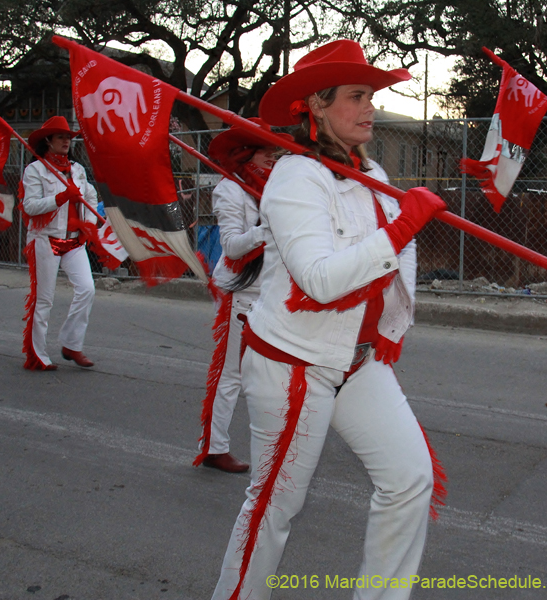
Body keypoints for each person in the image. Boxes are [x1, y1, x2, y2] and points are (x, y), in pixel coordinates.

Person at [211, 40, 448, 600]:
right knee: (274, 507)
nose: (370, 107)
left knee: (410, 478)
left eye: (371, 95)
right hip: (294, 362)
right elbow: (318, 278)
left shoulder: (374, 170)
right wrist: (401, 229)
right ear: (316, 105)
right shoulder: (296, 177)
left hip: (358, 360)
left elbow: (398, 257)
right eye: (356, 96)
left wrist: (390, 323)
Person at [192, 118, 289, 474]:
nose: (273, 157)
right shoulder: (230, 190)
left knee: (273, 371)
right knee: (232, 373)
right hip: (241, 291)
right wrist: (267, 229)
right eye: (267, 151)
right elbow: (232, 247)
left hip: (273, 289)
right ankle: (214, 447)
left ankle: (279, 446)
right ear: (247, 153)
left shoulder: (274, 187)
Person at [21, 116, 99, 371]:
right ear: (48, 141)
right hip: (45, 239)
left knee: (87, 289)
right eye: (61, 137)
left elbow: (89, 195)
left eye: (68, 137)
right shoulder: (35, 170)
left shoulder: (77, 169)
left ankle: (71, 344)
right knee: (44, 299)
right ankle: (37, 354)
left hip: (74, 241)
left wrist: (88, 225)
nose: (66, 141)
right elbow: (30, 207)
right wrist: (61, 196)